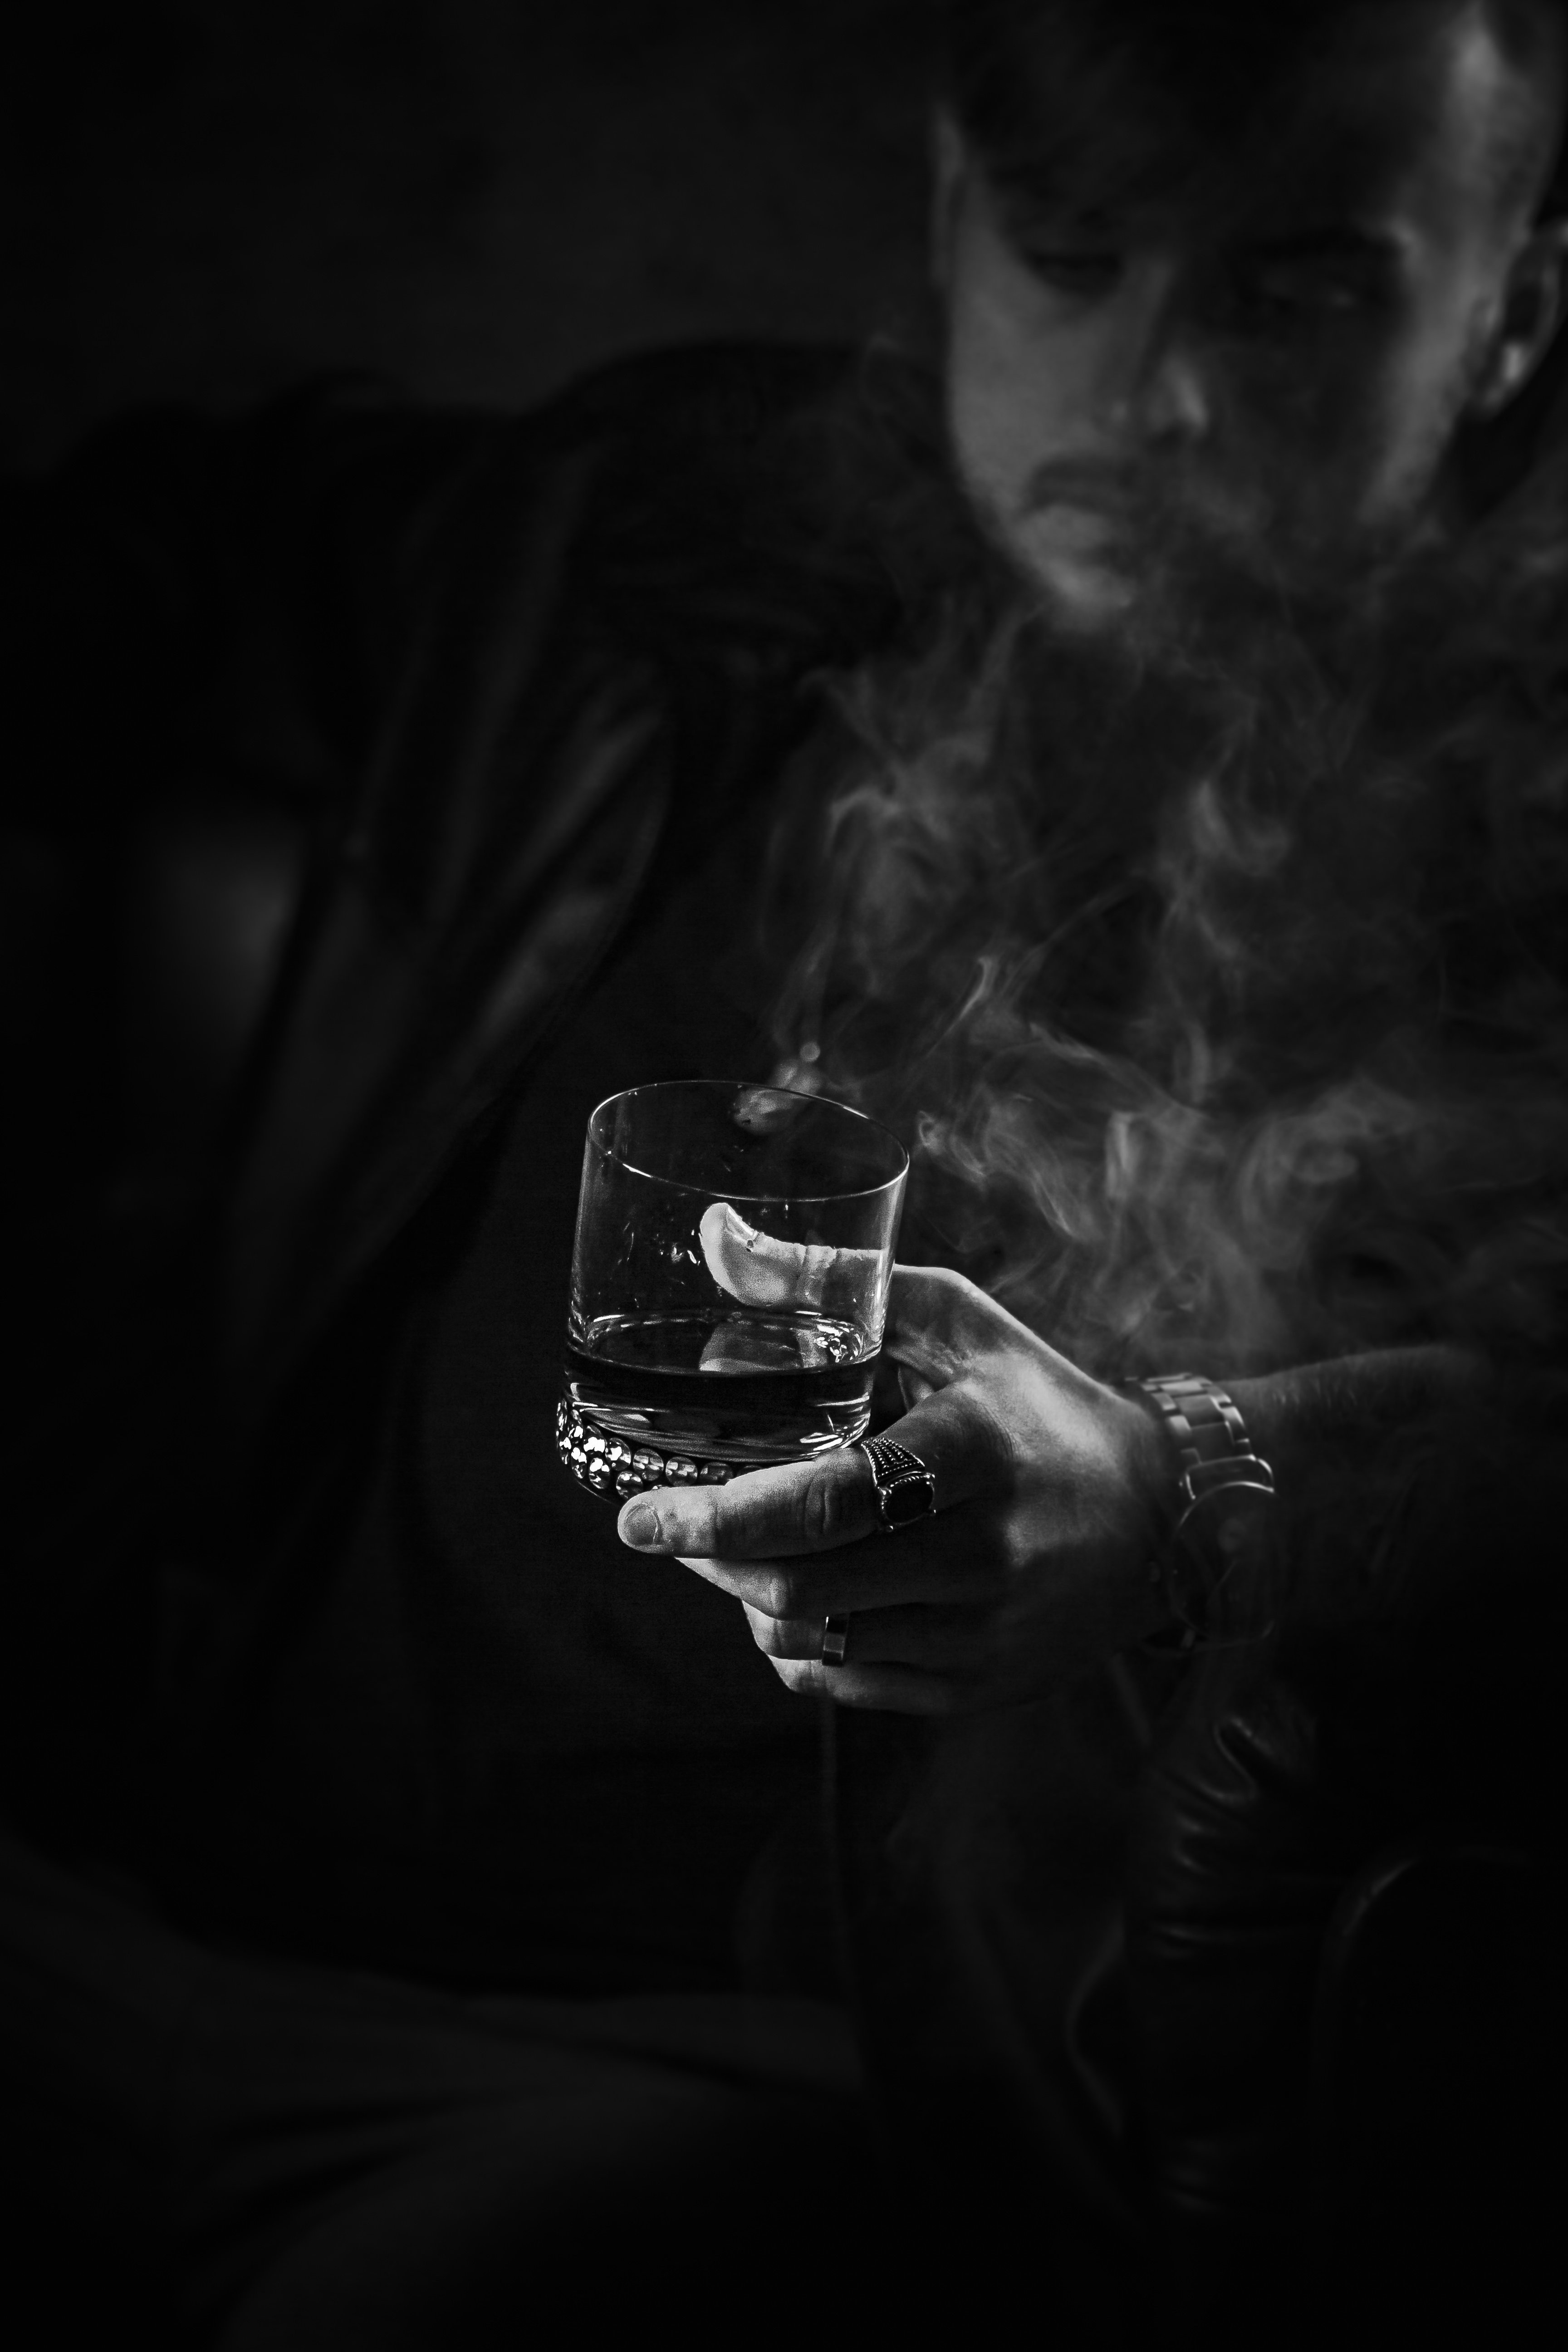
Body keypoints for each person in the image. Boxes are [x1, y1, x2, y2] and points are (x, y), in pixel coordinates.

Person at [4, 0, 1567, 2342]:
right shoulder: (669, 522)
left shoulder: (1520, 811)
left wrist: (1183, 1490)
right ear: (951, 207)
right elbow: (164, 543)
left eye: (1301, 285)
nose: (1155, 394)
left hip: (670, 2084)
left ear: (1515, 304)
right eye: (1072, 255)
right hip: (109, 1849)